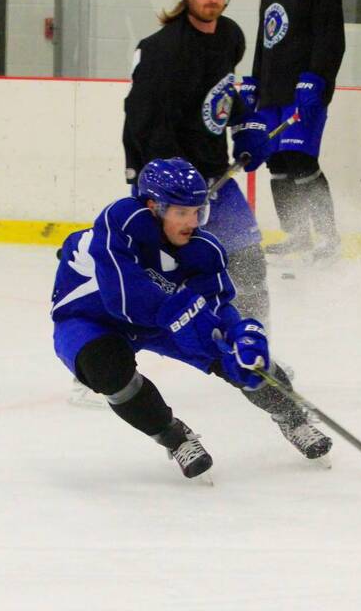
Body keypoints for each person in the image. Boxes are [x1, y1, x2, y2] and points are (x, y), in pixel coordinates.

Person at [51, 159, 332, 479]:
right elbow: (125, 302)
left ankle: (293, 418)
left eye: (196, 211)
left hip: (163, 318)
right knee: (107, 370)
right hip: (91, 318)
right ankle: (175, 438)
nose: (192, 221)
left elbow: (221, 306)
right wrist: (187, 315)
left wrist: (243, 335)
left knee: (241, 361)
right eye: (181, 213)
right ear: (154, 207)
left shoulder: (204, 251)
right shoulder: (120, 223)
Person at [122, 0, 273, 326]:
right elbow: (141, 122)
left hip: (214, 179)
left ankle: (255, 346)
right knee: (146, 279)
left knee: (249, 265)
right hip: (167, 190)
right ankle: (101, 358)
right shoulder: (163, 50)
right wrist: (167, 189)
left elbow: (221, 94)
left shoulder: (229, 37)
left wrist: (246, 127)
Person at [251, 0, 346, 261]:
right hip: (272, 91)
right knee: (276, 162)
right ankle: (297, 234)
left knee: (301, 161)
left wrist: (315, 78)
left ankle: (328, 237)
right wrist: (253, 83)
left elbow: (330, 37)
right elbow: (266, 40)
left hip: (304, 90)